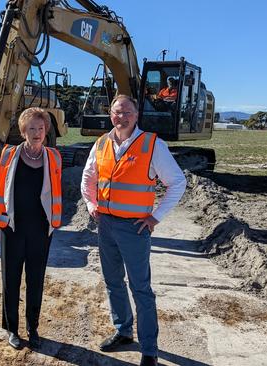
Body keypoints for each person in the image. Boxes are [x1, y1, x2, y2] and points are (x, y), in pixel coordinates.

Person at [80, 95, 186, 366]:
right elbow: (88, 177)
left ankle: (149, 349)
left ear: (136, 115)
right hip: (105, 224)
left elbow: (177, 182)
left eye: (127, 112)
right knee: (113, 282)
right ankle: (123, 331)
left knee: (141, 289)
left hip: (135, 228)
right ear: (110, 114)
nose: (121, 117)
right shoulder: (102, 143)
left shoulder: (152, 145)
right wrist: (91, 204)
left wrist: (156, 217)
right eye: (117, 112)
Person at [0, 107, 62, 350]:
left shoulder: (53, 157)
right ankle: (12, 328)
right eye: (31, 128)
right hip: (12, 227)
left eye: (41, 128)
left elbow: (53, 191)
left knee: (36, 280)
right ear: (23, 131)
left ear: (46, 131)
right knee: (10, 279)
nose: (36, 132)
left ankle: (33, 327)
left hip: (41, 230)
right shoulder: (8, 154)